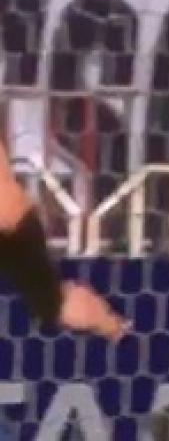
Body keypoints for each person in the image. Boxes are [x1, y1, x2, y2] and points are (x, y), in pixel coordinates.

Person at [0, 139, 124, 340]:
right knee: (53, 303)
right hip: (13, 223)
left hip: (12, 225)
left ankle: (109, 324)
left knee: (53, 303)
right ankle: (108, 323)